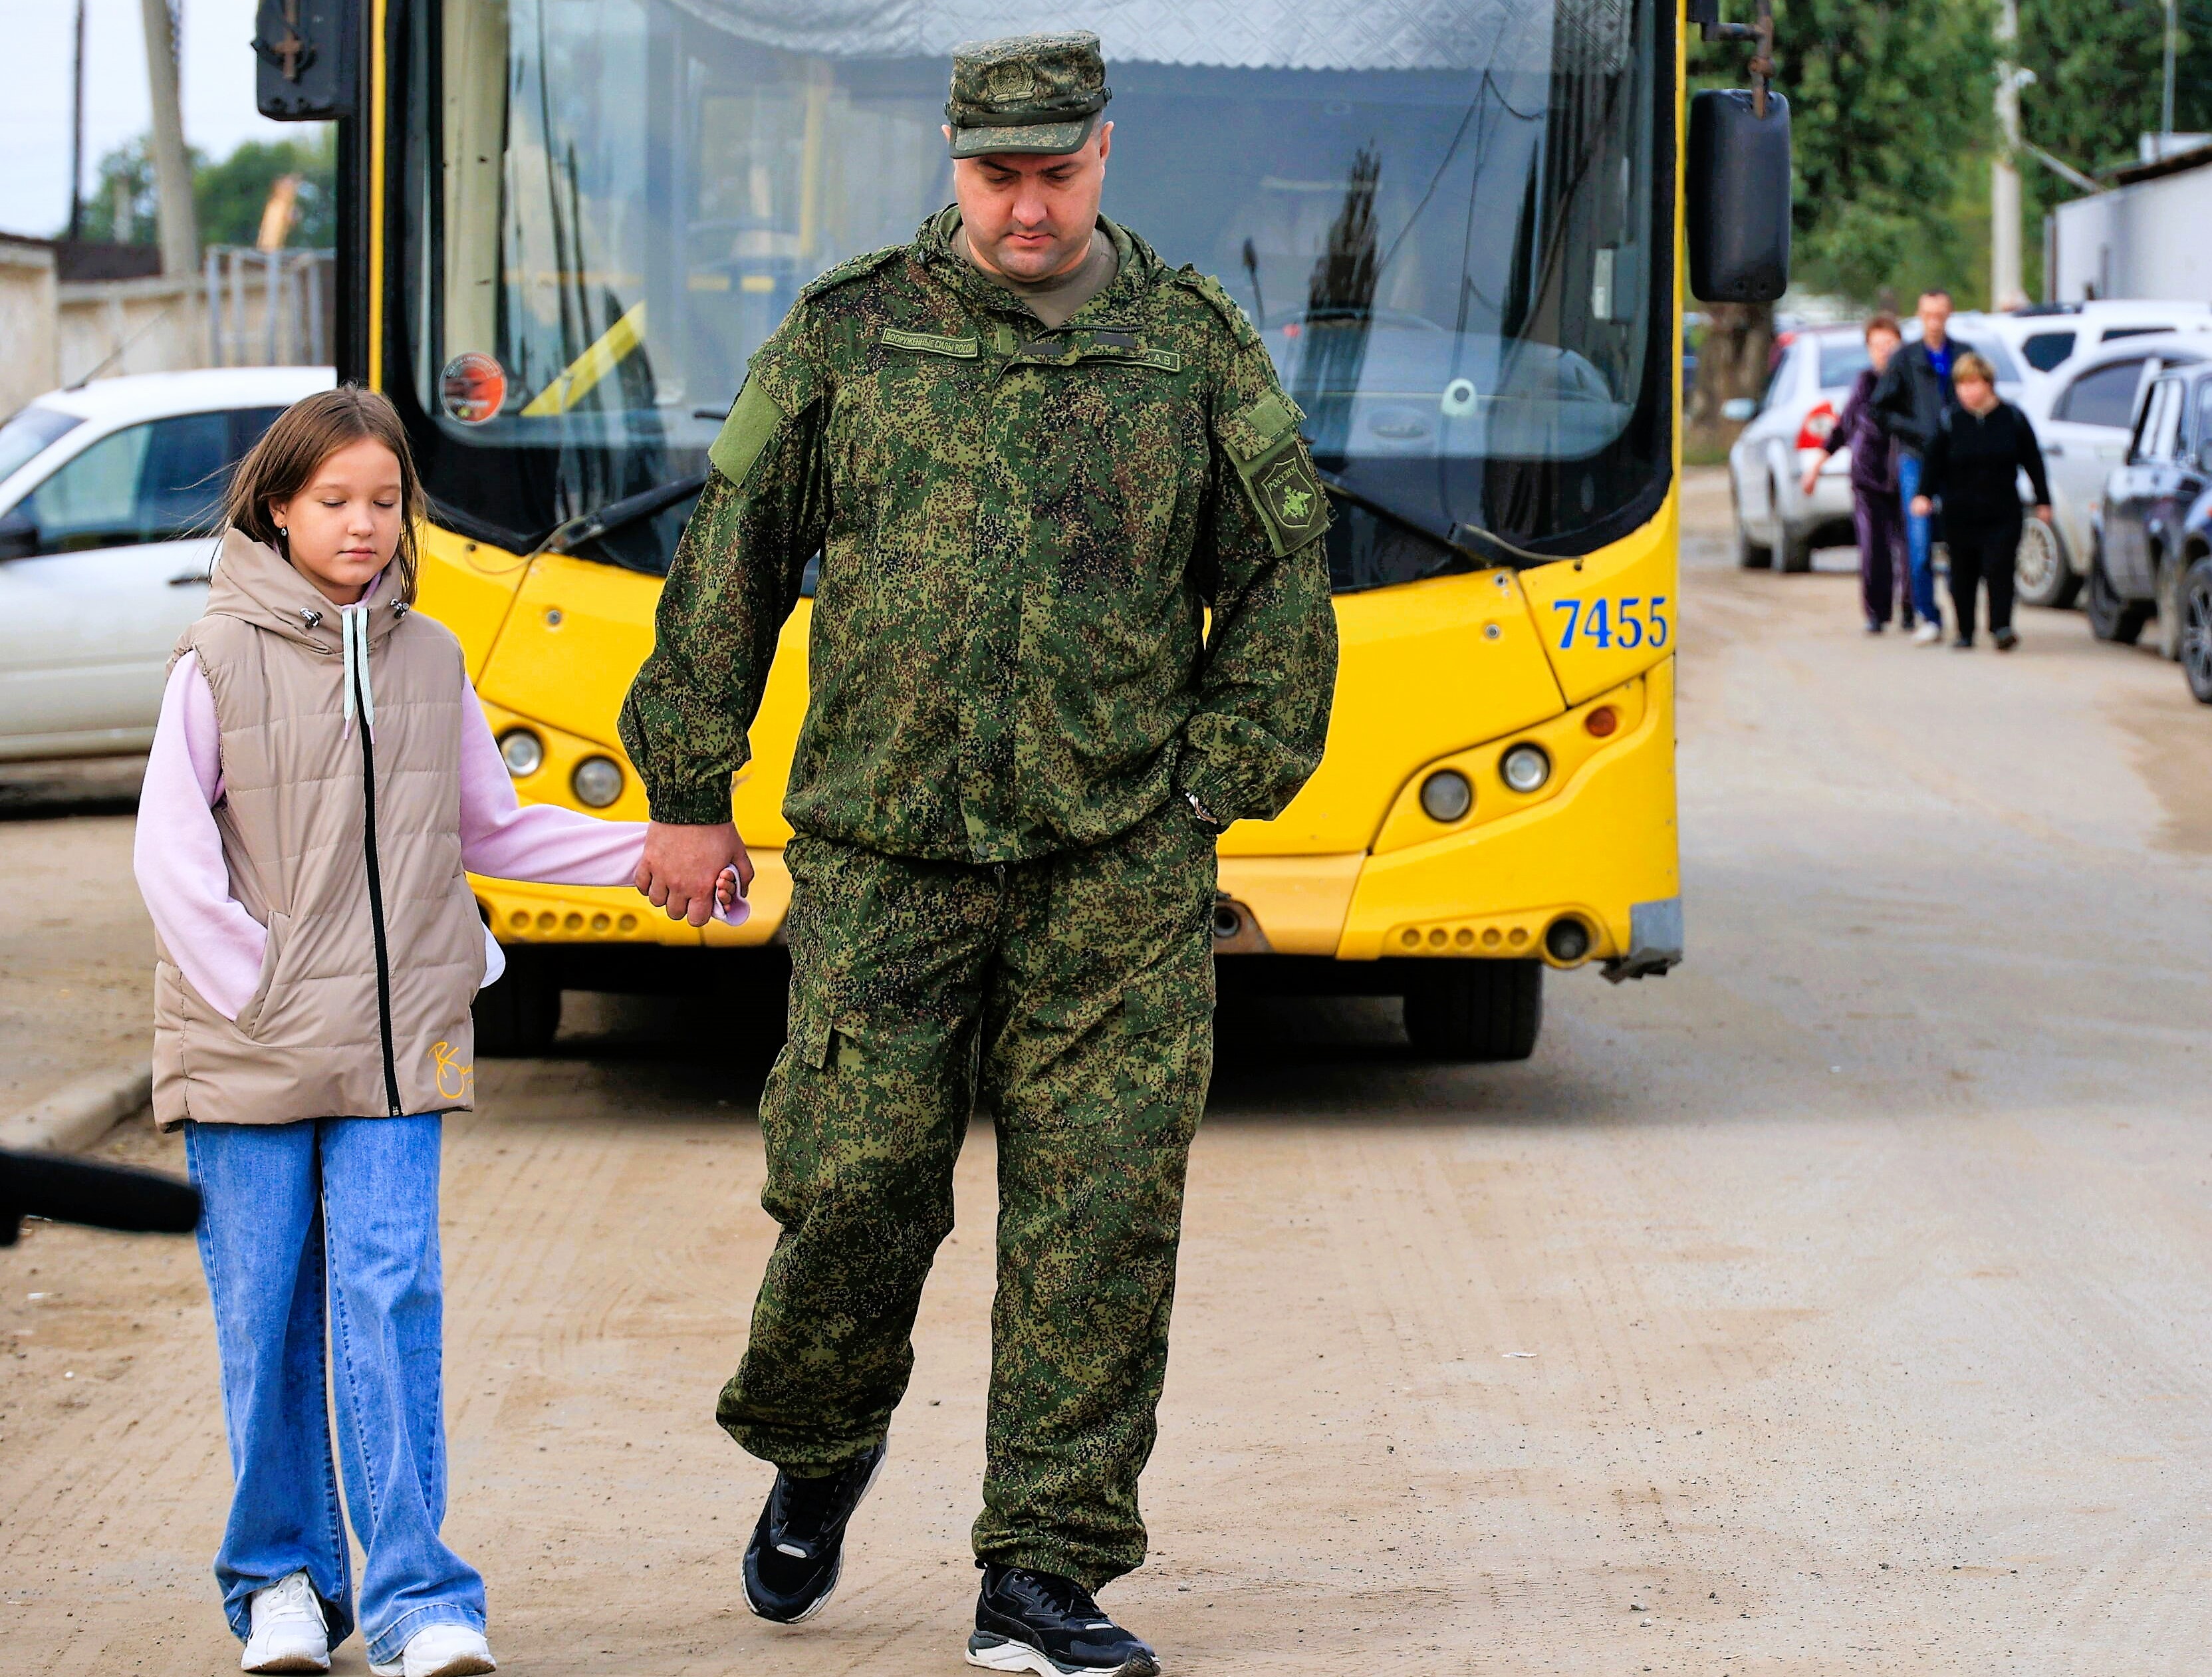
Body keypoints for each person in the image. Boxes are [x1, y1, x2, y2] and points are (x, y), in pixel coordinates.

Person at [619, 31, 1338, 1677]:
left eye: (1056, 174)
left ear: (1105, 154)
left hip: (1115, 869)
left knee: (1101, 1220)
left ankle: (1042, 1570)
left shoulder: (1190, 346)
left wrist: (1207, 790)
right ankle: (821, 1439)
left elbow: (1283, 578)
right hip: (885, 859)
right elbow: (730, 558)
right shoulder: (852, 333)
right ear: (952, 164)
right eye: (997, 176)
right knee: (851, 1192)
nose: (1027, 207)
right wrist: (688, 784)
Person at [132, 390, 736, 1677]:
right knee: (265, 1315)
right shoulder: (213, 659)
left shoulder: (432, 657)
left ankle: (417, 1599)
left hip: (400, 1044)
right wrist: (258, 989)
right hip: (250, 1041)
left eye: (384, 500)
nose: (361, 525)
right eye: (333, 501)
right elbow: (171, 861)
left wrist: (651, 854)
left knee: (389, 1289)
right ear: (278, 508)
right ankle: (282, 1584)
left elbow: (495, 827)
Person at [1909, 350, 2052, 651]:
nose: (1968, 392)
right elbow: (1933, 461)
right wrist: (1923, 494)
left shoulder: (2012, 418)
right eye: (1962, 385)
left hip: (2002, 511)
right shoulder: (1951, 421)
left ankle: (2001, 627)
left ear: (1989, 384)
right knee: (1963, 574)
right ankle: (1965, 632)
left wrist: (2044, 500)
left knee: (2000, 569)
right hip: (1960, 513)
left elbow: (2033, 460)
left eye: (1974, 384)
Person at [1802, 313, 1909, 633]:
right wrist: (1816, 466)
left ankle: (1912, 608)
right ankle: (1877, 613)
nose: (1884, 351)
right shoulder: (1865, 383)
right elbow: (1843, 428)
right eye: (1877, 345)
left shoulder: (1912, 382)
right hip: (1869, 476)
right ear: (1868, 349)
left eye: (1890, 344)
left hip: (1906, 475)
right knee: (1873, 548)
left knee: (1910, 548)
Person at [1873, 288, 1961, 644]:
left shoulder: (1963, 355)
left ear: (1949, 314)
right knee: (1920, 540)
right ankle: (1929, 614)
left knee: (1958, 538)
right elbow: (1880, 408)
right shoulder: (1905, 358)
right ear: (1920, 315)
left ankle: (1964, 616)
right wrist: (1917, 430)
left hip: (1955, 461)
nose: (1934, 322)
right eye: (1928, 315)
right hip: (1916, 458)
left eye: (1940, 315)